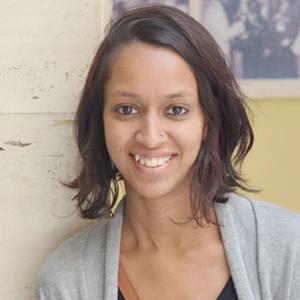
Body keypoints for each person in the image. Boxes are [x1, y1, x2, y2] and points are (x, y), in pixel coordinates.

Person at [36, 5, 300, 300]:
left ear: (209, 119)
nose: (150, 137)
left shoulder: (288, 250)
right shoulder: (68, 279)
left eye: (175, 110)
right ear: (100, 120)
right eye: (127, 109)